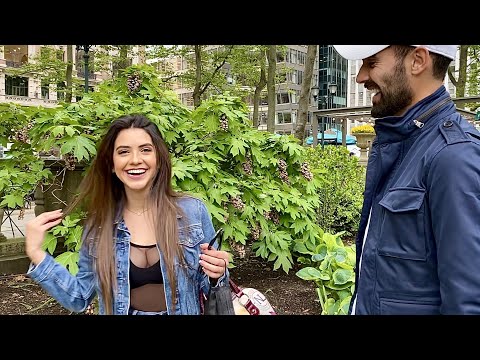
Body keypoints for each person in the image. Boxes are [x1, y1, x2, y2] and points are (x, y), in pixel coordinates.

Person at [25, 114, 230, 315]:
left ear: (158, 159)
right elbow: (78, 297)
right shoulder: (99, 225)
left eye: (145, 150)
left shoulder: (192, 212)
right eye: (123, 152)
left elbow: (212, 288)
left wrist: (218, 272)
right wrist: (36, 252)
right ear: (112, 164)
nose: (135, 160)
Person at [333, 45, 480, 314]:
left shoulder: (454, 156)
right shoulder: (403, 144)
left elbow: (469, 301)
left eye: (372, 62)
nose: (360, 76)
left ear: (418, 61)